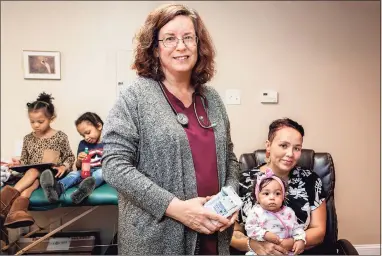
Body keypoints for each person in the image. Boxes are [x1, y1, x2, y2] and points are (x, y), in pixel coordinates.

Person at [102, 3, 239, 255]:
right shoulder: (134, 97)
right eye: (169, 39)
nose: (181, 46)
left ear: (199, 44)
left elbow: (229, 156)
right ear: (155, 48)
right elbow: (113, 165)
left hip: (213, 235)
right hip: (158, 240)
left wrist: (231, 199)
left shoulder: (212, 99)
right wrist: (177, 208)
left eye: (188, 37)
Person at [231, 118, 327, 255]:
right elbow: (231, 232)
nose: (290, 154)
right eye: (283, 146)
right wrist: (252, 245)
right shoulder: (242, 181)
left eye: (297, 148)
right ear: (268, 146)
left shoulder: (310, 180)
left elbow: (319, 231)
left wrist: (290, 243)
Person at [0, 92, 75, 228]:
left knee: (35, 172)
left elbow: (70, 156)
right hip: (31, 177)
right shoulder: (28, 138)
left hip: (50, 177)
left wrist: (64, 166)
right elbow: (24, 160)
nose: (36, 125)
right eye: (32, 122)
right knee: (32, 180)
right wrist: (18, 164)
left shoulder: (60, 137)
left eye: (40, 121)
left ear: (51, 118)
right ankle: (16, 213)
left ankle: (2, 202)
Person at [40, 112, 105, 204]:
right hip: (86, 171)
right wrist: (79, 160)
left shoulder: (108, 143)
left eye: (88, 132)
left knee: (101, 173)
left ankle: (82, 191)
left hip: (101, 171)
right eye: (83, 135)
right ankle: (56, 189)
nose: (86, 137)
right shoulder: (83, 144)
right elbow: (78, 166)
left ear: (98, 126)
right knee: (74, 174)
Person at [245, 168, 305, 255]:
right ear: (258, 197)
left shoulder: (288, 212)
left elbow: (297, 228)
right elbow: (250, 228)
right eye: (266, 193)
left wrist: (300, 239)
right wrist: (265, 234)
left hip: (285, 251)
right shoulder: (255, 212)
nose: (272, 197)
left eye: (277, 193)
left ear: (283, 197)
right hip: (261, 250)